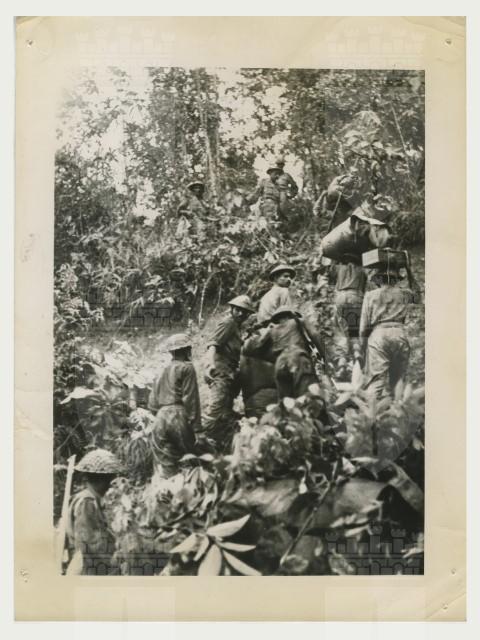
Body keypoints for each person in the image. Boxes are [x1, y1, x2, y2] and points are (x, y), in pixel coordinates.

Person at [359, 256, 420, 399]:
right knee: (398, 382)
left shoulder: (370, 295)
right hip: (399, 334)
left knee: (376, 382)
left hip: (378, 336)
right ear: (396, 279)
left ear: (379, 279)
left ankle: (371, 411)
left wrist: (362, 348)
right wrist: (409, 271)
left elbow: (363, 326)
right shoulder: (405, 293)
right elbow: (418, 296)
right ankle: (397, 410)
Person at [204, 295, 255, 449]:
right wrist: (209, 363)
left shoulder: (237, 327)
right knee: (216, 407)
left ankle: (219, 441)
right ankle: (199, 438)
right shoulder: (229, 322)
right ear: (232, 309)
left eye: (244, 312)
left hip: (230, 371)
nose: (240, 314)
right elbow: (213, 343)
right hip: (221, 371)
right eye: (237, 310)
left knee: (225, 409)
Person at [243, 306, 325, 400]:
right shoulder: (298, 321)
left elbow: (258, 346)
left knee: (286, 402)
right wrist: (324, 356)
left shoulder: (272, 329)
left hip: (280, 363)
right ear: (290, 315)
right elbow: (315, 335)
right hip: (297, 357)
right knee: (308, 396)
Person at [148, 333, 201, 477]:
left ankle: (168, 489)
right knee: (191, 460)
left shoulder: (161, 371)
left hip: (160, 418)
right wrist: (198, 429)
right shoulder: (187, 368)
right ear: (186, 350)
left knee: (166, 466)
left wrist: (162, 414)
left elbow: (152, 404)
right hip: (178, 416)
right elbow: (191, 399)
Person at [66, 448, 124, 575]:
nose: (111, 484)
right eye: (110, 479)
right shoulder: (86, 501)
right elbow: (91, 541)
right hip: (88, 568)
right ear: (101, 479)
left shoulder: (92, 499)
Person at [329, 258, 367, 379]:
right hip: (356, 296)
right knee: (354, 329)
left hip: (340, 297)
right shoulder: (362, 269)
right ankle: (356, 356)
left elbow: (330, 276)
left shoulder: (339, 267)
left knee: (340, 330)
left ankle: (342, 363)